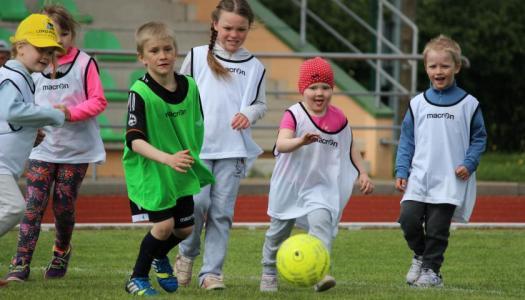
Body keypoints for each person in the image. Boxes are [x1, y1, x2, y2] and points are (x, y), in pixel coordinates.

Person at [4, 5, 107, 282]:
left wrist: (68, 114)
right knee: (33, 204)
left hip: (76, 150)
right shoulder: (31, 68)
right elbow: (20, 107)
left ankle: (61, 248)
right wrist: (32, 129)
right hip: (42, 149)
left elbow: (99, 101)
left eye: (63, 34)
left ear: (72, 33)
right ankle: (20, 263)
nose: (58, 41)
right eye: (52, 35)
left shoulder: (85, 63)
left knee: (63, 205)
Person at [259, 57, 374, 293]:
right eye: (313, 87)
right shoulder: (294, 113)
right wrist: (300, 140)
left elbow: (349, 147)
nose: (319, 93)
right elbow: (281, 144)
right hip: (290, 185)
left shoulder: (339, 118)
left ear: (332, 89)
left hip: (319, 187)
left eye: (325, 87)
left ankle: (320, 273)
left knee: (321, 223)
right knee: (277, 233)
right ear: (302, 90)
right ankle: (269, 271)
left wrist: (362, 172)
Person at [174, 0, 267, 290]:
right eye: (227, 27)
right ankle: (186, 255)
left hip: (234, 151)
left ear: (248, 29)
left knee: (222, 213)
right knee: (197, 204)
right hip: (197, 149)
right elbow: (179, 93)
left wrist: (248, 113)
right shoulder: (196, 56)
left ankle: (211, 274)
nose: (234, 34)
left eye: (241, 29)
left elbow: (260, 104)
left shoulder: (255, 67)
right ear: (215, 24)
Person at [122, 21, 215, 296]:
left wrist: (187, 158)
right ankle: (136, 278)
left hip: (179, 168)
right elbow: (134, 140)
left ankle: (158, 257)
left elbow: (197, 125)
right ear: (142, 57)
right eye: (154, 51)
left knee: (185, 230)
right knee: (163, 227)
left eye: (167, 49)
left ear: (176, 52)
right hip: (152, 169)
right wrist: (166, 158)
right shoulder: (140, 92)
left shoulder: (190, 86)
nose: (162, 55)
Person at [395, 34, 487, 288]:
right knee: (408, 218)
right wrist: (402, 168)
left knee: (437, 228)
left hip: (450, 178)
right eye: (433, 66)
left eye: (445, 66)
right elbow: (407, 140)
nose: (438, 71)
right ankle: (421, 256)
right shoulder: (417, 104)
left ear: (456, 67)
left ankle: (432, 272)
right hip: (419, 175)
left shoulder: (469, 104)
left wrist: (469, 163)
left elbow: (479, 138)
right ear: (425, 68)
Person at [0, 13, 65, 286]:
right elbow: (11, 110)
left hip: (6, 166)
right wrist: (51, 114)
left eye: (50, 52)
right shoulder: (11, 77)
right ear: (21, 46)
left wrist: (30, 133)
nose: (46, 56)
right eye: (41, 48)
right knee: (14, 208)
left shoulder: (22, 77)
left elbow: (10, 118)